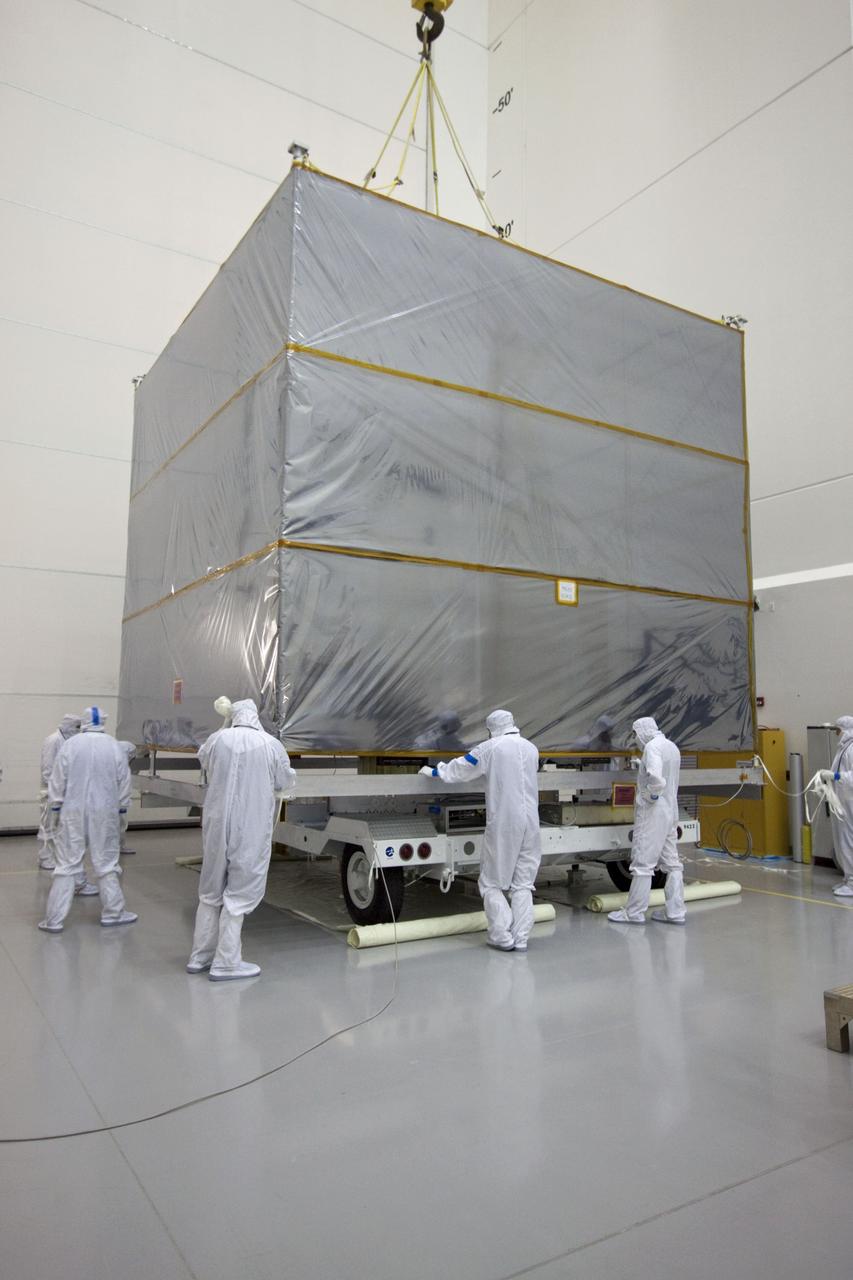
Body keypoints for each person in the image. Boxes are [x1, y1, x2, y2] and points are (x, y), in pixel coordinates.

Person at [187, 698, 296, 981]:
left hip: (216, 824)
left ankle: (200, 957)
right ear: (255, 716)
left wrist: (223, 725)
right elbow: (285, 781)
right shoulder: (270, 744)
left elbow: (203, 759)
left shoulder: (217, 739)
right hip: (250, 825)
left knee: (210, 891)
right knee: (239, 891)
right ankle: (226, 962)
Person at [420, 709, 541, 951]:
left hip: (505, 823)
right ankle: (521, 938)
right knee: (523, 883)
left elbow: (462, 768)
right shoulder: (531, 748)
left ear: (491, 728)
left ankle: (501, 936)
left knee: (491, 882)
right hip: (531, 822)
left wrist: (434, 771)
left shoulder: (491, 747)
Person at [39, 706, 136, 932]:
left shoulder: (70, 745)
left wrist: (55, 807)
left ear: (83, 723)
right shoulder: (113, 745)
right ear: (103, 722)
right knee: (106, 863)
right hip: (105, 813)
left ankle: (54, 919)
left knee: (66, 864)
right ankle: (113, 912)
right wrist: (122, 809)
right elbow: (124, 780)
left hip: (72, 812)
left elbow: (57, 777)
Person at [608, 717, 684, 926]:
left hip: (654, 812)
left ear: (643, 731)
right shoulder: (671, 746)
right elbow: (663, 772)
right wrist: (643, 766)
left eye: (635, 735)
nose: (636, 740)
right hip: (670, 810)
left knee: (643, 863)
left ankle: (634, 913)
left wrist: (650, 797)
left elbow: (657, 780)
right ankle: (676, 912)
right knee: (672, 863)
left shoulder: (652, 747)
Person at [37, 715, 82, 871]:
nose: (78, 730)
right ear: (67, 726)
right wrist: (56, 791)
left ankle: (56, 856)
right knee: (48, 826)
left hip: (63, 792)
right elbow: (47, 770)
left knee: (60, 827)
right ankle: (45, 858)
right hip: (50, 792)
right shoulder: (53, 740)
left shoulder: (68, 741)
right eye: (76, 727)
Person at [821, 716, 853, 896]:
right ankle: (848, 879)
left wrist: (836, 777)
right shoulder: (844, 749)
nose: (837, 733)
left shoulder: (852, 748)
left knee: (849, 840)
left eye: (838, 730)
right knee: (843, 840)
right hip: (842, 803)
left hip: (850, 803)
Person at [118, 741, 137, 854]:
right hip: (119, 803)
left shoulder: (112, 762)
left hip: (111, 802)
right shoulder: (123, 767)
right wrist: (123, 805)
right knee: (120, 825)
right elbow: (124, 787)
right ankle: (119, 847)